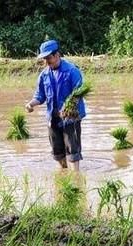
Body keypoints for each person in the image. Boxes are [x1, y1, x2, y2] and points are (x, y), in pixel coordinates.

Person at [25, 40, 86, 171]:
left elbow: (79, 93)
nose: (47, 62)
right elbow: (40, 96)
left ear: (57, 55)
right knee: (57, 151)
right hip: (53, 118)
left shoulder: (71, 71)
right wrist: (31, 104)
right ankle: (64, 176)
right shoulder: (44, 75)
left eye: (49, 58)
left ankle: (76, 177)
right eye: (44, 59)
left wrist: (67, 108)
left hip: (70, 118)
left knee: (73, 150)